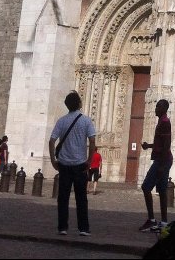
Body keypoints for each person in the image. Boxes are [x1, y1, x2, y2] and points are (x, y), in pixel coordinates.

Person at [49, 90, 96, 238]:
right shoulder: (86, 121)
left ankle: (62, 227)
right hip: (80, 164)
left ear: (67, 105)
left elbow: (51, 140)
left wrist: (52, 160)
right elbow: (92, 141)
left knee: (63, 197)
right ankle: (83, 228)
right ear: (80, 104)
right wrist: (89, 160)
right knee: (81, 198)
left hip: (63, 164)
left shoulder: (61, 121)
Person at [139, 99, 172, 232]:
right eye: (156, 105)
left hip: (162, 161)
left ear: (164, 108)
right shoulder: (162, 122)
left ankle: (152, 220)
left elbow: (167, 144)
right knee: (162, 190)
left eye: (158, 106)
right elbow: (162, 142)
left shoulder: (164, 122)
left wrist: (162, 166)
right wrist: (149, 146)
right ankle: (163, 222)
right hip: (162, 159)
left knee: (146, 187)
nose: (156, 108)